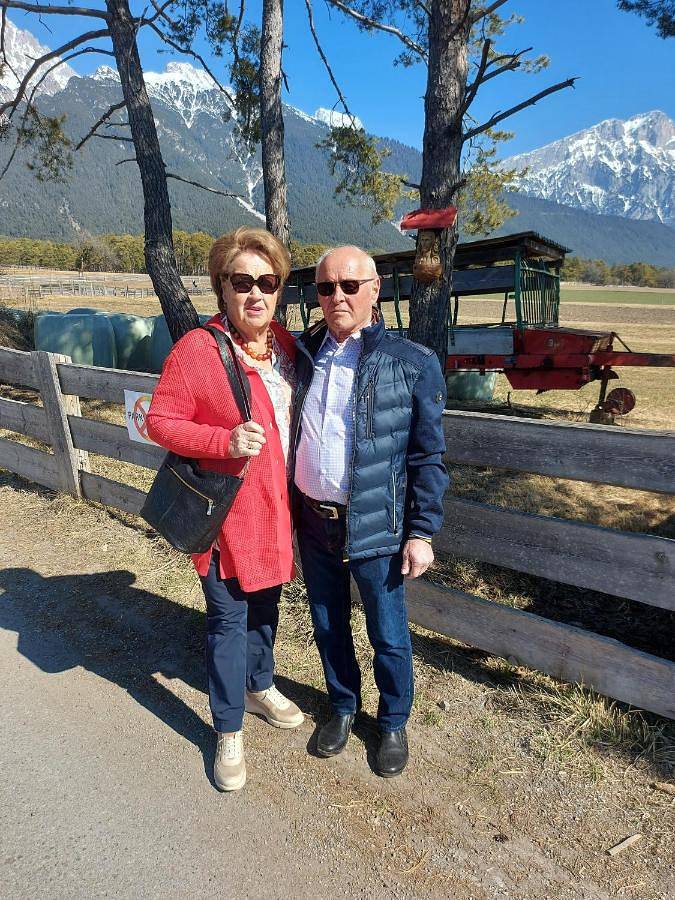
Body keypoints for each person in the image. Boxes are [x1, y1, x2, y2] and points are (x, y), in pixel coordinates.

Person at [147, 227, 304, 793]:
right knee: (229, 619)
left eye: (267, 281)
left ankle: (260, 686)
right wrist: (224, 442)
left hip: (276, 512)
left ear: (280, 289)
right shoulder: (198, 350)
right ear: (223, 288)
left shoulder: (285, 348)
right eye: (243, 282)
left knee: (266, 607)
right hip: (226, 518)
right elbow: (159, 422)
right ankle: (228, 728)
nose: (255, 293)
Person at [292, 245, 449, 777]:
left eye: (349, 285)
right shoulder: (303, 353)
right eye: (326, 287)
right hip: (314, 519)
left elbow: (428, 456)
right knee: (327, 621)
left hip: (378, 523)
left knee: (388, 632)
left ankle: (392, 721)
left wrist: (422, 530)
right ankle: (341, 706)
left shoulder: (412, 364)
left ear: (375, 289)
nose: (337, 296)